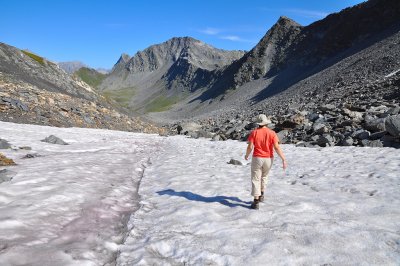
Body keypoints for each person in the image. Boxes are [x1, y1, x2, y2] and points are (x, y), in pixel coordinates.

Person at [245, 114, 287, 210]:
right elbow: (276, 147)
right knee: (264, 176)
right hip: (268, 158)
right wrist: (283, 159)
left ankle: (256, 201)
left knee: (256, 178)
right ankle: (262, 194)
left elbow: (250, 147)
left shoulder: (254, 132)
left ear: (258, 123)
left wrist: (247, 155)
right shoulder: (272, 133)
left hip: (257, 158)